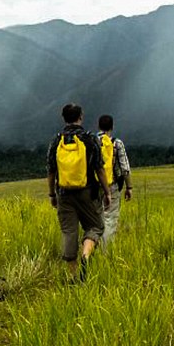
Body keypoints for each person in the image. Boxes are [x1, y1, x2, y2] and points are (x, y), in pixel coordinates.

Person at [46, 103, 112, 281]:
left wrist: (52, 194)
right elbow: (100, 169)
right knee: (96, 226)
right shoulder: (89, 139)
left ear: (63, 118)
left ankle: (73, 275)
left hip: (64, 193)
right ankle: (86, 255)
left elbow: (51, 171)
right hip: (88, 192)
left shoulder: (56, 140)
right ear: (81, 117)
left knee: (69, 231)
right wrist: (107, 192)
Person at [97, 114, 133, 245]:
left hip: (94, 187)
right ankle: (105, 253)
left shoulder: (91, 141)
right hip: (111, 185)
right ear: (112, 126)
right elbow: (125, 168)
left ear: (98, 126)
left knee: (96, 219)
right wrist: (129, 187)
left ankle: (90, 249)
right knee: (110, 219)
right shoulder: (117, 143)